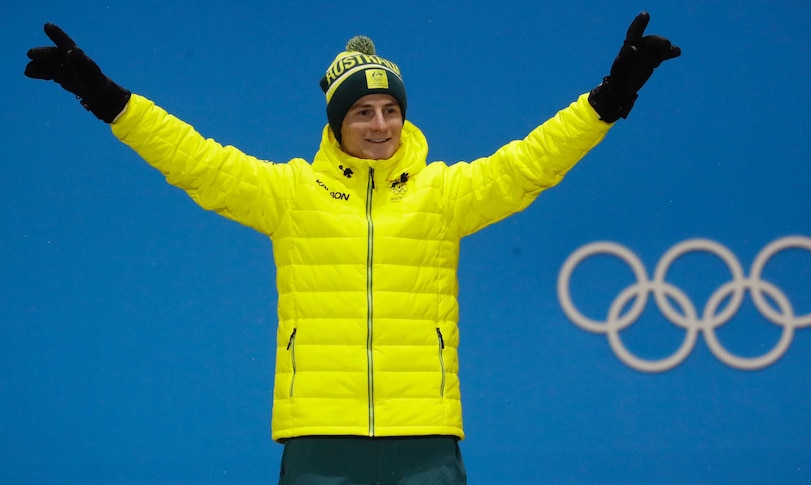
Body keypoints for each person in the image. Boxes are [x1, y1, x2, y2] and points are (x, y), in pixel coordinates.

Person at [25, 12, 680, 484]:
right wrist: (102, 95)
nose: (379, 124)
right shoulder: (290, 193)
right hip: (319, 440)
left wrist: (612, 94)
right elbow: (193, 159)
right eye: (362, 112)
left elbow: (533, 161)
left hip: (425, 437)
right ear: (337, 125)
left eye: (389, 110)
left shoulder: (446, 193)